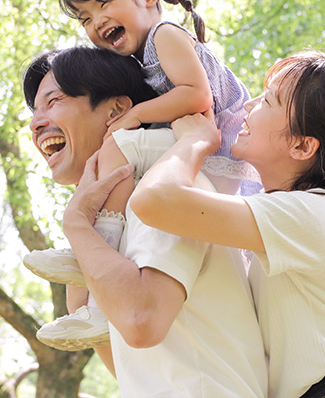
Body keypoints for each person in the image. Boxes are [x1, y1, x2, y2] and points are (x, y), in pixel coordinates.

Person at [114, 50, 325, 397]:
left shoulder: (313, 213)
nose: (248, 106)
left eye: (268, 101)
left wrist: (193, 142)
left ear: (302, 145)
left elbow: (154, 201)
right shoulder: (296, 213)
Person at [23, 0, 260, 348]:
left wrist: (134, 117)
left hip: (221, 152)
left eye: (103, 4)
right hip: (207, 151)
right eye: (85, 18)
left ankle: (95, 247)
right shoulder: (142, 59)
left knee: (119, 148)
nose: (96, 21)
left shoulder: (165, 35)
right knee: (118, 151)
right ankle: (92, 260)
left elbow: (197, 95)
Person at [23, 46, 267, 397]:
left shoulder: (164, 192)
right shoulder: (112, 222)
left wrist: (75, 223)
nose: (35, 123)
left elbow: (141, 322)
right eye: (35, 111)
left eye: (54, 101)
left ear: (117, 110)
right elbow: (123, 361)